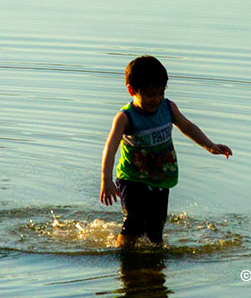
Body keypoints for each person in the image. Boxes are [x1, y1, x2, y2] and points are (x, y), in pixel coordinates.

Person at [99, 56, 231, 246]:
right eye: (151, 94)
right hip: (132, 179)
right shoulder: (125, 118)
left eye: (161, 92)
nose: (157, 99)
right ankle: (124, 253)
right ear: (131, 91)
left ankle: (154, 264)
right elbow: (110, 148)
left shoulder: (168, 107)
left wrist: (210, 146)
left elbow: (187, 126)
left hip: (160, 177)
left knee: (156, 228)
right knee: (134, 222)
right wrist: (106, 179)